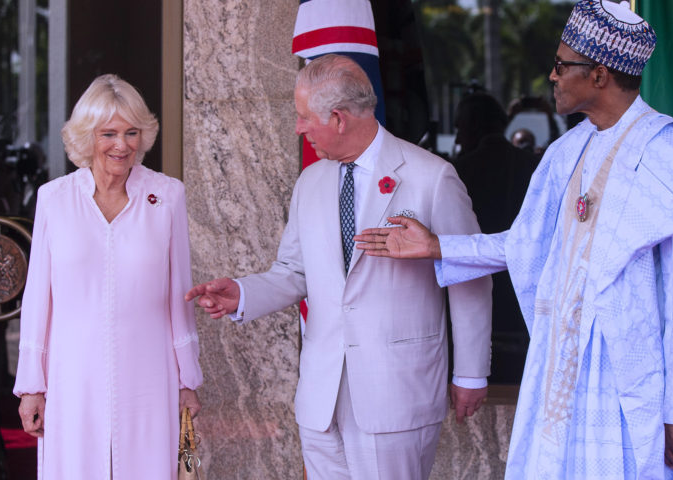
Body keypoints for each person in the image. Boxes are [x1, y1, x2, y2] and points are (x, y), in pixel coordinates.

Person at [355, 1, 673, 478]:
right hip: (562, 365)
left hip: (627, 378)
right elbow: (526, 246)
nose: (552, 76)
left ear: (599, 74)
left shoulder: (667, 156)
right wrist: (437, 246)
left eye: (562, 65)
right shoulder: (568, 150)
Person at [185, 54, 491, 480]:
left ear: (338, 118)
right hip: (321, 397)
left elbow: (469, 275)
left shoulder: (431, 177)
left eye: (303, 117)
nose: (298, 128)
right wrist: (244, 292)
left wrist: (471, 372)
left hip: (396, 393)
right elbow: (294, 271)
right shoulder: (310, 181)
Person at [14, 74, 203, 479]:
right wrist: (32, 384)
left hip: (151, 375)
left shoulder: (167, 196)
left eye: (132, 132)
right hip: (72, 376)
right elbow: (37, 299)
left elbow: (179, 295)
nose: (122, 145)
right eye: (109, 133)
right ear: (87, 137)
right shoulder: (54, 199)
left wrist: (187, 377)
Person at [452, 92, 538, 383]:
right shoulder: (532, 164)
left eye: (459, 127)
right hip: (523, 289)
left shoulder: (458, 170)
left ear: (472, 127)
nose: (458, 135)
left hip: (475, 282)